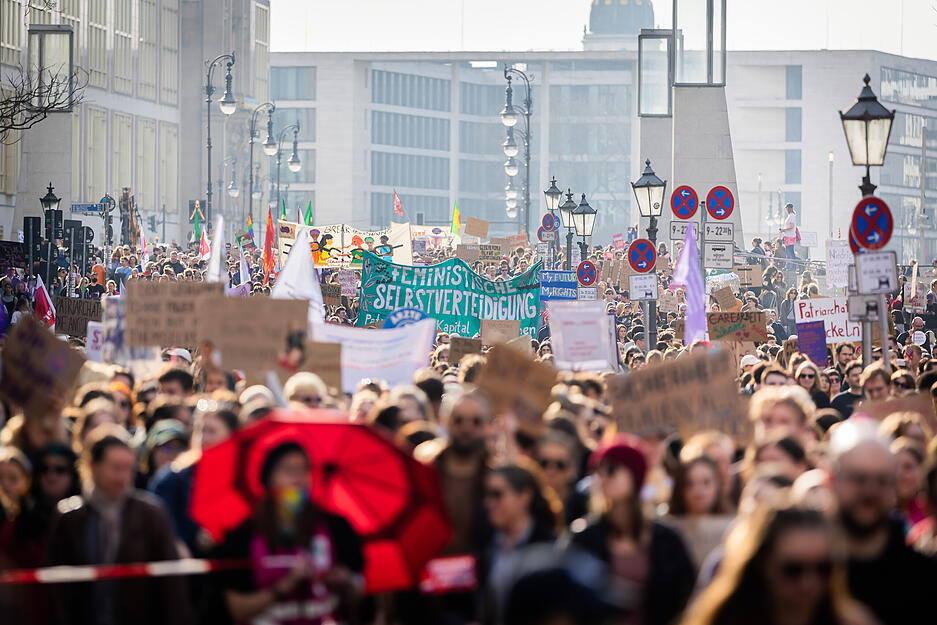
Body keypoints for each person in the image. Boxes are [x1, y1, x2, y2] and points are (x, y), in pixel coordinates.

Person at [47, 424, 193, 625]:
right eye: (116, 468)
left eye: (128, 469)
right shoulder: (69, 519)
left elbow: (171, 589)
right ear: (93, 466)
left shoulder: (151, 515)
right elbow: (58, 593)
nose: (123, 477)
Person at [206, 442, 364, 625]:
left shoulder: (336, 527)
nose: (298, 478)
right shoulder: (243, 535)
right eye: (288, 470)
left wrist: (345, 582)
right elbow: (237, 610)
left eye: (304, 470)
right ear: (269, 479)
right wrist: (284, 587)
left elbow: (358, 599)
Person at [570, 435, 695, 625]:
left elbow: (687, 595)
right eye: (598, 470)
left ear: (634, 475)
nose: (602, 477)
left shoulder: (667, 539)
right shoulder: (583, 537)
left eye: (611, 469)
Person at [679, 505, 876, 625]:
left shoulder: (852, 621)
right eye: (793, 570)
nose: (808, 583)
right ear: (763, 565)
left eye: (823, 569)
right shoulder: (723, 619)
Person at [829, 419, 937, 625]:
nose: (870, 491)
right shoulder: (807, 572)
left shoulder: (924, 578)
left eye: (882, 480)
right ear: (833, 479)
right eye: (858, 478)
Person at [480, 463, 560, 624]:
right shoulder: (485, 544)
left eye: (497, 494)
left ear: (524, 496)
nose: (489, 503)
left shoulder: (552, 546)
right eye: (487, 495)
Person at [665, 456, 733, 569]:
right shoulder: (666, 529)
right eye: (689, 484)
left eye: (706, 482)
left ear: (718, 485)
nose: (698, 491)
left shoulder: (734, 527)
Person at [779, 203, 798, 269]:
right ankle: (789, 266)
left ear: (789, 208)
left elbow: (791, 226)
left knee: (790, 252)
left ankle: (791, 267)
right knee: (788, 252)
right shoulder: (790, 216)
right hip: (788, 236)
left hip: (790, 236)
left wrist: (784, 230)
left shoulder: (792, 216)